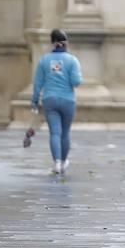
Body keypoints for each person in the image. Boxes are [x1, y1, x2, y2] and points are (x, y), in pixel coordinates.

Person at [31, 29, 83, 175]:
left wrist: (34, 101)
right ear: (66, 43)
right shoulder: (72, 60)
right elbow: (76, 81)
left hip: (50, 100)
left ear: (52, 43)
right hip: (68, 100)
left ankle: (57, 163)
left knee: (55, 133)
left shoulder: (44, 60)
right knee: (65, 133)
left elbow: (37, 83)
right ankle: (64, 162)